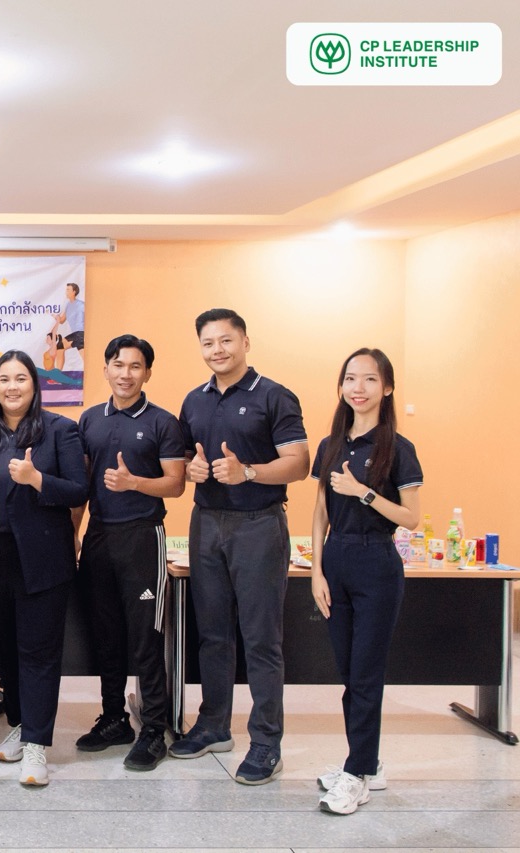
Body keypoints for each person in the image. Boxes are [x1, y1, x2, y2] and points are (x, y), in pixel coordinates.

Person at [170, 308, 309, 785]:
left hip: (259, 525)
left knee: (261, 639)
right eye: (208, 343)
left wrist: (247, 471)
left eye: (226, 340)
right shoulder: (195, 400)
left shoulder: (274, 395)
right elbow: (186, 457)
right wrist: (192, 470)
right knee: (212, 634)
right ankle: (213, 725)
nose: (218, 350)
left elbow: (299, 462)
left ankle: (266, 743)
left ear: (245, 342)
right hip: (206, 522)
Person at [0, 351, 85, 787]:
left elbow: (78, 490)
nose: (11, 387)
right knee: (7, 651)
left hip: (42, 560)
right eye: (4, 379)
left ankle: (36, 744)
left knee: (38, 652)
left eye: (20, 379)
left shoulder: (60, 430)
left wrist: (37, 479)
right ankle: (20, 723)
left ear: (35, 384)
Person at [310, 348, 422, 815]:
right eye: (351, 378)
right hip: (335, 560)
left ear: (387, 388)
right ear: (341, 386)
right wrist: (316, 571)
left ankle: (356, 774)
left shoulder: (399, 448)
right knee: (349, 674)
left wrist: (365, 493)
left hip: (377, 562)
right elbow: (320, 512)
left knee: (366, 675)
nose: (358, 388)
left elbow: (411, 518)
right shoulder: (330, 445)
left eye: (370, 379)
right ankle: (366, 763)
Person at [74, 335, 186, 771]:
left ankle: (154, 728)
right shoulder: (89, 419)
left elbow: (176, 484)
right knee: (106, 634)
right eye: (118, 365)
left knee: (145, 637)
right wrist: (73, 534)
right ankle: (114, 719)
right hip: (99, 536)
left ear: (147, 373)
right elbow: (83, 486)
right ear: (105, 369)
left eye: (135, 366)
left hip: (142, 536)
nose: (126, 374)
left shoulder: (163, 422)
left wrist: (134, 483)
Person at [52, 283, 85, 371]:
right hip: (76, 334)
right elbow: (62, 320)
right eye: (66, 290)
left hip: (81, 333)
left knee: (86, 359)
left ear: (74, 292)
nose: (66, 292)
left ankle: (57, 373)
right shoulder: (68, 305)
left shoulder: (82, 305)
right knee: (60, 346)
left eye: (68, 290)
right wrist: (55, 316)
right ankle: (58, 373)